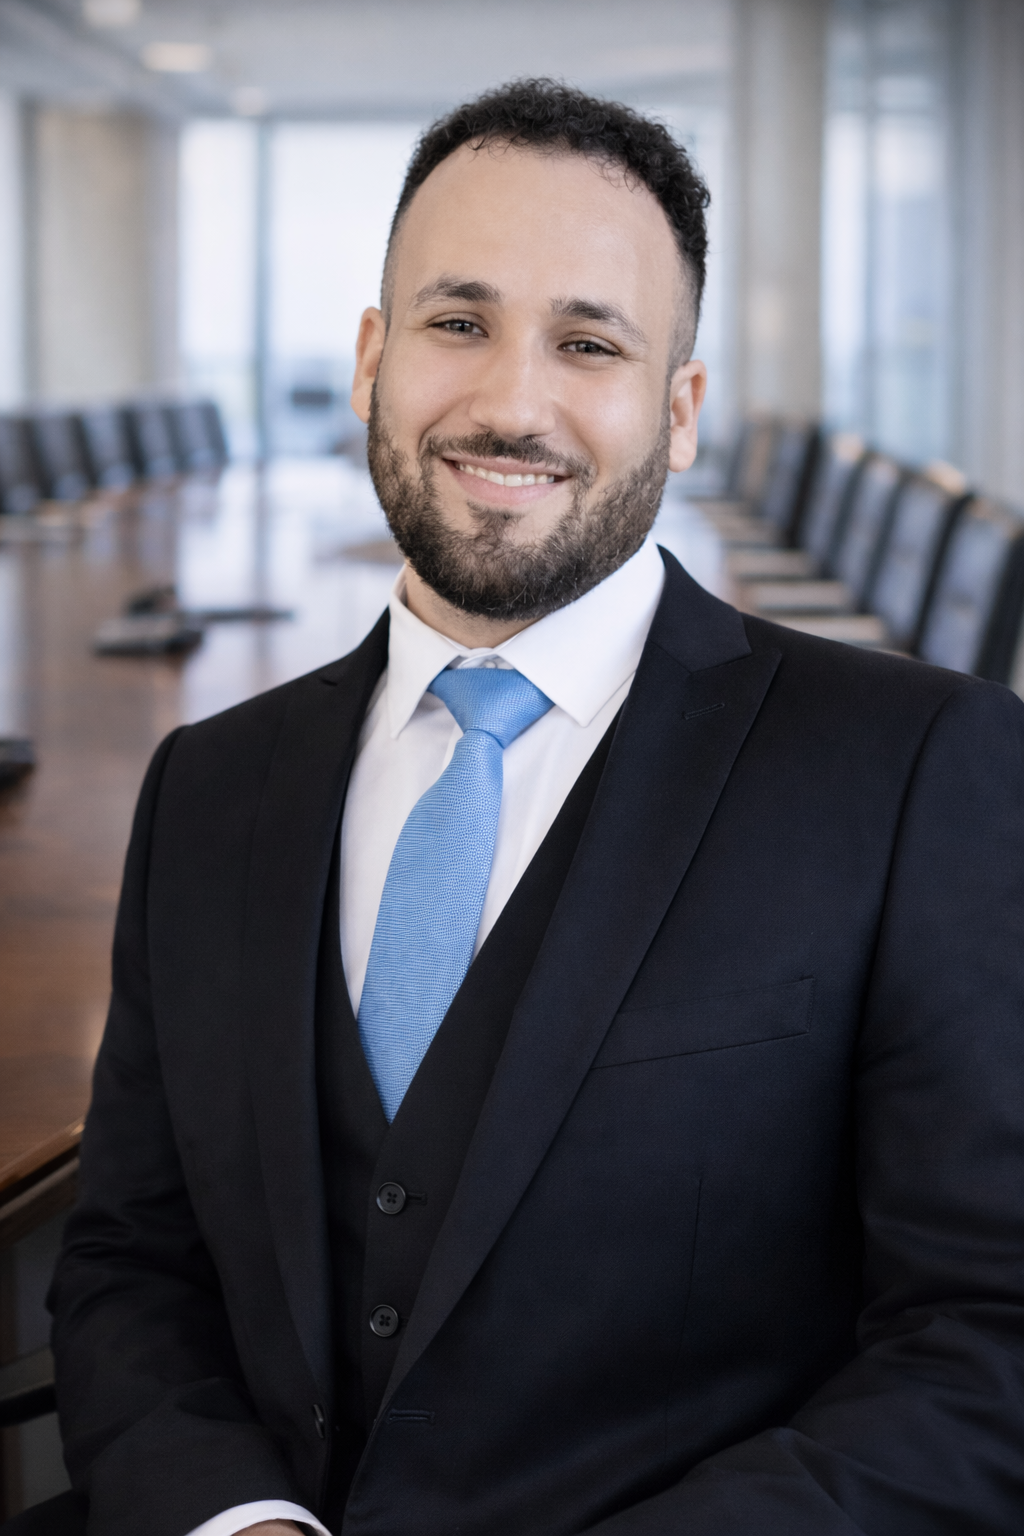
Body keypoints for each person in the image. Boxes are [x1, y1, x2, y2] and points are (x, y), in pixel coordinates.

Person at [23, 79, 1024, 1536]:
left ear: (678, 412)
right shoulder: (208, 788)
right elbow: (126, 1258)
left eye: (589, 342)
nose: (509, 399)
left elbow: (988, 1334)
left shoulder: (919, 769)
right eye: (455, 322)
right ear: (372, 357)